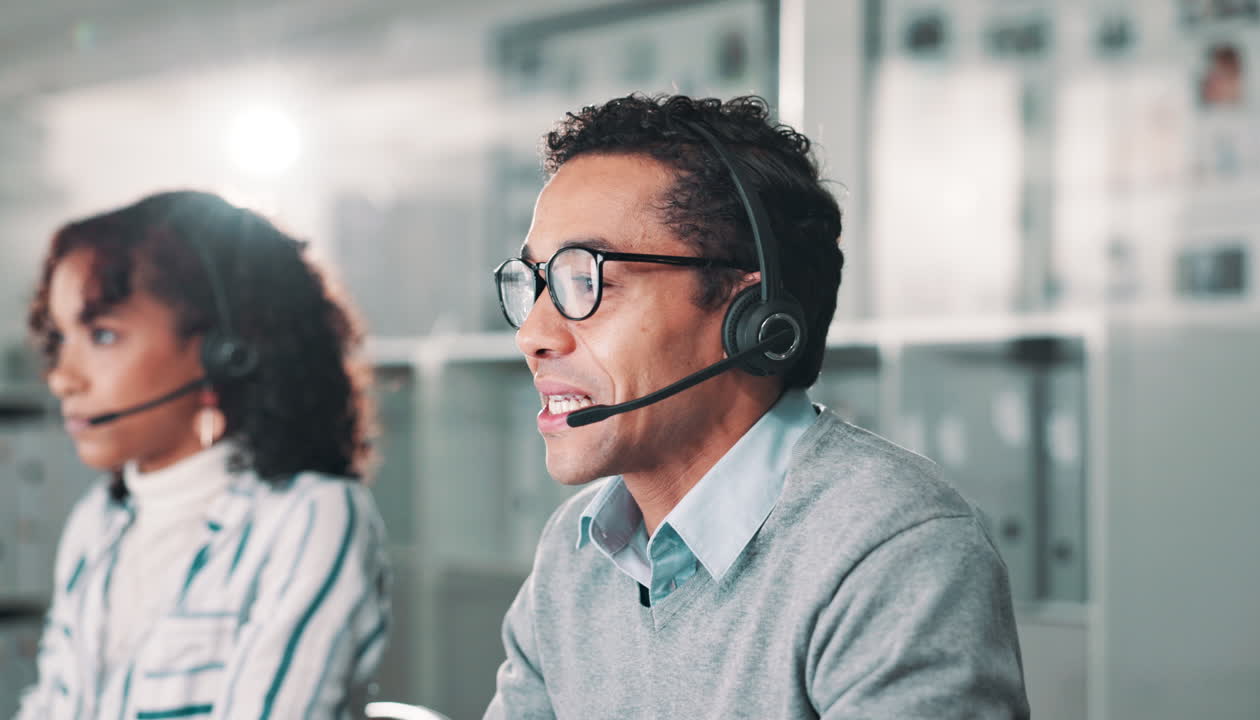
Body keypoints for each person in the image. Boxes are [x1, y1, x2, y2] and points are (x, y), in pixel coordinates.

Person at [485, 95, 1029, 718]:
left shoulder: (892, 546)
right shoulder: (577, 551)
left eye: (585, 281)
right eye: (534, 284)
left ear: (753, 320)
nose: (533, 335)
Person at [17, 190, 390, 719]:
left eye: (102, 335)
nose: (62, 377)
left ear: (224, 353)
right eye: (61, 338)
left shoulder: (309, 519)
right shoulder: (96, 527)